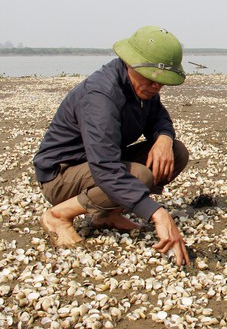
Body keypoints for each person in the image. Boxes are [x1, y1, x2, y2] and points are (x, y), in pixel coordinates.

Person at [33, 26, 192, 265]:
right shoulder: (101, 96)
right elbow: (105, 167)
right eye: (150, 79)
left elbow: (158, 118)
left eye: (161, 82)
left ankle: (106, 215)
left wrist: (163, 138)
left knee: (176, 152)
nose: (156, 86)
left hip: (94, 163)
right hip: (61, 175)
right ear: (130, 63)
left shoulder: (142, 87)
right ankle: (58, 215)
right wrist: (157, 214)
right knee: (139, 175)